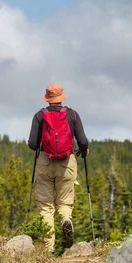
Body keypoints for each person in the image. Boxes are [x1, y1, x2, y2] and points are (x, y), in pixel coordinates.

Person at [28, 83, 89, 253]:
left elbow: (32, 144)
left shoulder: (39, 116)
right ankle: (65, 222)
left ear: (47, 99)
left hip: (45, 163)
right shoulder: (72, 115)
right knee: (64, 202)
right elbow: (83, 141)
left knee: (46, 206)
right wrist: (84, 151)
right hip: (67, 163)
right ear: (62, 97)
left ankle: (48, 250)